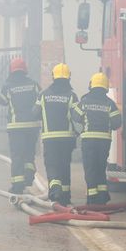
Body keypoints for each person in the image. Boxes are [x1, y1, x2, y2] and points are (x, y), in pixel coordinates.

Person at [71, 72, 121, 205]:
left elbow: (75, 116)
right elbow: (117, 123)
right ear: (105, 87)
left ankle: (92, 198)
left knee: (90, 168)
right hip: (104, 141)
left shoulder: (85, 101)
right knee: (100, 167)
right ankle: (102, 196)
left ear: (91, 85)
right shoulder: (110, 104)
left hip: (88, 141)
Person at [34, 63, 79, 205]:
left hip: (50, 138)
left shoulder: (43, 95)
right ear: (68, 77)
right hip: (67, 139)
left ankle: (55, 190)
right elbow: (77, 118)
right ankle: (65, 197)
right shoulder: (72, 96)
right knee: (64, 165)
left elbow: (34, 113)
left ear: (53, 76)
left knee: (52, 165)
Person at [0, 57, 41, 194]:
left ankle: (17, 187)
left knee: (17, 156)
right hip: (32, 126)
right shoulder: (34, 84)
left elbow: (2, 101)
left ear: (11, 70)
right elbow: (41, 99)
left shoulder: (7, 86)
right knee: (29, 154)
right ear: (25, 70)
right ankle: (28, 176)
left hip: (16, 127)